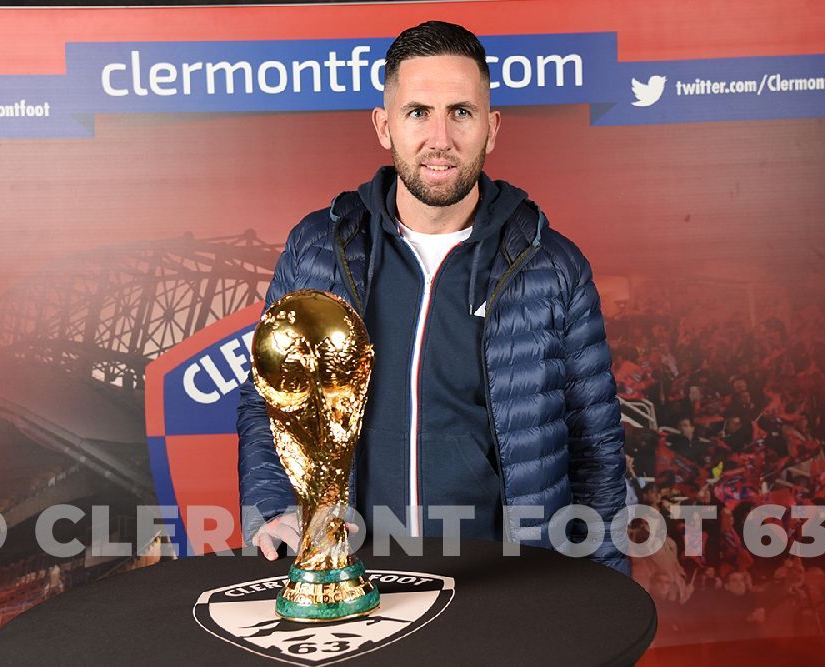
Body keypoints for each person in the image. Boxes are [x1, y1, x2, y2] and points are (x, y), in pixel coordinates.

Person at [237, 21, 630, 576]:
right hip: (356, 573)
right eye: (418, 112)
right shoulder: (318, 249)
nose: (440, 138)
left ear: (491, 128)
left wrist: (602, 594)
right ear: (384, 126)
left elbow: (596, 449)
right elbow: (269, 400)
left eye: (461, 112)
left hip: (503, 583)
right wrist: (274, 508)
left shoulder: (552, 266)